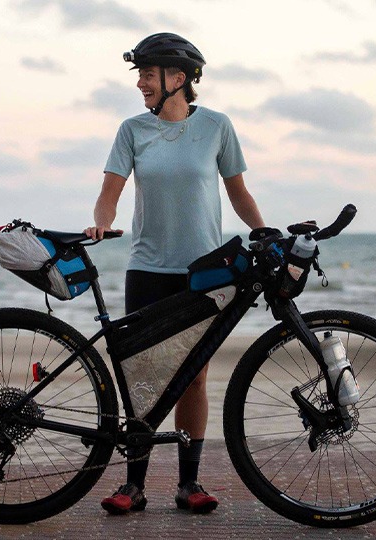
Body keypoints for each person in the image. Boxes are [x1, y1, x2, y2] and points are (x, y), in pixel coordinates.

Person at [84, 32, 265, 515]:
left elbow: (238, 193)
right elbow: (110, 191)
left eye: (148, 75)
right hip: (147, 269)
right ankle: (134, 485)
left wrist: (263, 232)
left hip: (203, 272)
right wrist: (100, 222)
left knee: (193, 378)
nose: (140, 84)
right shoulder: (131, 130)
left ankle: (189, 483)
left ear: (178, 78)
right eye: (140, 75)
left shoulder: (217, 127)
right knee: (142, 376)